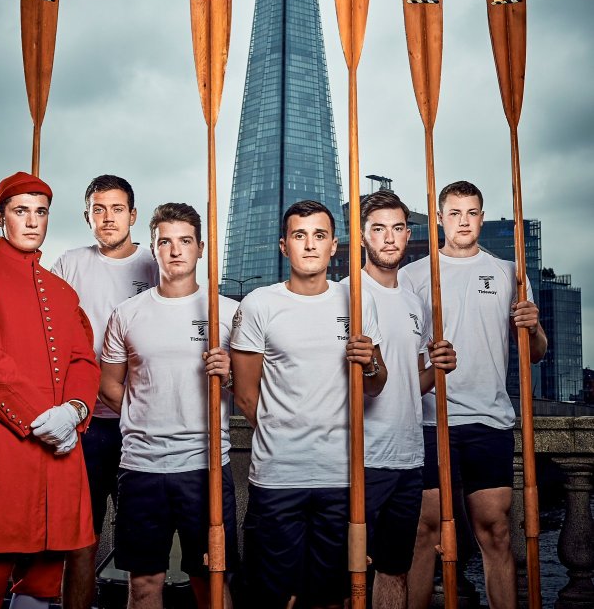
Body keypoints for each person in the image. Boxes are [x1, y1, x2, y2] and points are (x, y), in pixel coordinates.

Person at [0, 171, 100, 609]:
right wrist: (45, 418)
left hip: (61, 446)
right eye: (20, 211)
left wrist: (76, 410)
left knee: (46, 581)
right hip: (0, 443)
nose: (32, 221)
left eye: (40, 212)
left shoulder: (63, 292)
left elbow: (84, 359)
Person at [231, 199, 387, 609]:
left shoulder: (356, 302)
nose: (310, 245)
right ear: (284, 246)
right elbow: (246, 394)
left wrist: (369, 362)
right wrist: (284, 432)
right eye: (300, 236)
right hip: (278, 475)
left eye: (319, 235)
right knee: (273, 596)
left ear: (334, 244)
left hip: (341, 475)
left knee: (331, 597)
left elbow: (375, 385)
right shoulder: (259, 304)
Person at [401, 181, 548, 609]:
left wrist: (534, 326)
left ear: (481, 218)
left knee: (497, 530)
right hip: (429, 419)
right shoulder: (414, 276)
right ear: (440, 219)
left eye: (472, 213)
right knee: (425, 534)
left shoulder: (509, 272)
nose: (464, 221)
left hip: (489, 419)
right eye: (455, 213)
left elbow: (536, 353)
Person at [99, 202, 238, 609]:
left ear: (199, 248)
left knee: (211, 580)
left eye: (185, 241)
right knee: (143, 583)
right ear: (154, 248)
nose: (175, 250)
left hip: (207, 465)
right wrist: (147, 413)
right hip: (142, 466)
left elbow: (252, 388)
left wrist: (229, 373)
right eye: (165, 241)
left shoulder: (227, 313)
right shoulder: (127, 314)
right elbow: (109, 385)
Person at [343, 190, 456, 609]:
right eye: (378, 229)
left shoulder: (414, 303)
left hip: (408, 458)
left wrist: (437, 367)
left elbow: (413, 383)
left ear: (408, 235)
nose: (388, 238)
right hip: (360, 459)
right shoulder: (348, 294)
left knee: (395, 569)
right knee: (346, 571)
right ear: (361, 236)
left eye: (396, 228)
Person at [50, 175, 158, 609]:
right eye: (99, 209)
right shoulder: (69, 264)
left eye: (117, 209)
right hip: (84, 424)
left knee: (139, 545)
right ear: (87, 216)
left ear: (133, 215)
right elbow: (49, 336)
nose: (108, 217)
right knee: (79, 538)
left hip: (141, 426)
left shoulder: (155, 263)